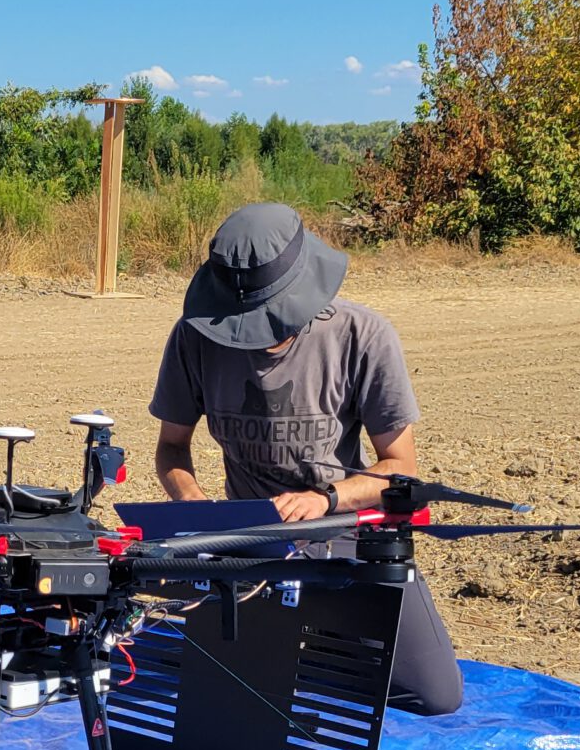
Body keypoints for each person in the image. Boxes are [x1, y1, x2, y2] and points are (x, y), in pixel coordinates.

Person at [148, 202, 463, 716]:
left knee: (435, 694)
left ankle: (307, 649)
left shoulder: (363, 335)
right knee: (220, 689)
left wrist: (326, 499)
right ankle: (289, 648)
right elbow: (171, 447)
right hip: (248, 547)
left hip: (343, 537)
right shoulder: (194, 337)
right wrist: (196, 508)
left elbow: (399, 467)